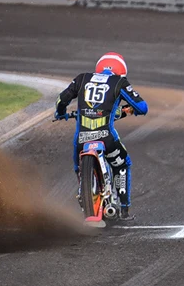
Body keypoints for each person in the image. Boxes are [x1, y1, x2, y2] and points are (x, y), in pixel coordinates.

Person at [55, 52, 149, 221]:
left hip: (81, 139)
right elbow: (142, 107)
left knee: (77, 167)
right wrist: (131, 109)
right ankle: (124, 210)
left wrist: (61, 113)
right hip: (106, 138)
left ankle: (83, 193)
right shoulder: (119, 82)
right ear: (121, 71)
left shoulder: (82, 78)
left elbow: (61, 100)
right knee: (122, 164)